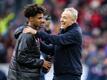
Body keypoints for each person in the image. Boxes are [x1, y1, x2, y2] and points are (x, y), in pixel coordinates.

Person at [23, 7, 83, 80]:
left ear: (73, 20)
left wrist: (37, 33)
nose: (61, 20)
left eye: (65, 18)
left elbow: (57, 39)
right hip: (58, 75)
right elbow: (51, 50)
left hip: (70, 76)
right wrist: (36, 41)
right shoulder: (63, 31)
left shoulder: (75, 32)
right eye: (61, 17)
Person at [7, 4, 51, 80]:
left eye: (43, 18)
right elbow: (21, 57)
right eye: (39, 18)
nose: (43, 20)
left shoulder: (33, 34)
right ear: (31, 19)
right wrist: (41, 62)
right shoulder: (27, 35)